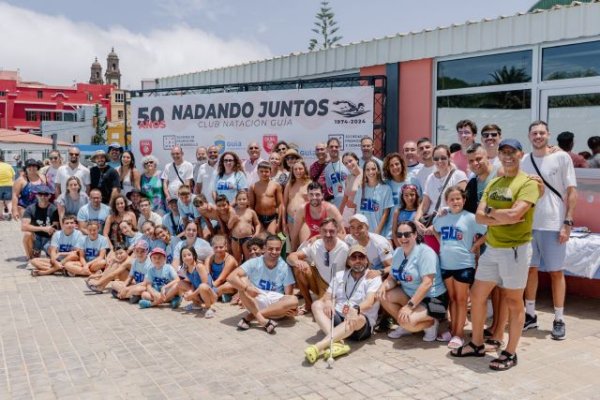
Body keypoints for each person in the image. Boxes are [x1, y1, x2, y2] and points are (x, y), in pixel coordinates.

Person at [451, 138, 539, 372]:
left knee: (513, 301)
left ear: (521, 154)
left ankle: (510, 352)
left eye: (512, 151)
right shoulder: (495, 183)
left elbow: (516, 215)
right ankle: (477, 344)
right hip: (492, 246)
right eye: (504, 152)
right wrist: (499, 214)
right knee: (478, 294)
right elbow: (479, 217)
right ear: (498, 155)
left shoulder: (527, 183)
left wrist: (494, 213)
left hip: (515, 249)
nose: (508, 156)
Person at [521, 121, 578, 341]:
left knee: (556, 272)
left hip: (554, 224)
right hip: (528, 225)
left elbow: (572, 192)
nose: (538, 136)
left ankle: (558, 319)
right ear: (529, 136)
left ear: (548, 135)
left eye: (541, 133)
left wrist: (568, 222)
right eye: (534, 133)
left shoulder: (562, 157)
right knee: (530, 270)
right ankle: (531, 315)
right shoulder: (524, 159)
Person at [304, 244, 381, 364]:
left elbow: (370, 301)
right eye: (354, 258)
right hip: (340, 316)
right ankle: (337, 342)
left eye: (361, 257)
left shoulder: (372, 277)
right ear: (348, 261)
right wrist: (328, 302)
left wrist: (356, 309)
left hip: (360, 324)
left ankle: (318, 347)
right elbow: (327, 296)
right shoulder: (340, 275)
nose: (357, 261)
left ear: (366, 260)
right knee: (317, 305)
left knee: (359, 318)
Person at [432, 187, 486, 348]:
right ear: (447, 201)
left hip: (464, 264)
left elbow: (489, 231)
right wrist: (442, 243)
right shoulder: (442, 217)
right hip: (446, 264)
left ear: (463, 200)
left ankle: (459, 334)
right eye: (452, 199)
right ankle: (452, 329)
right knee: (453, 299)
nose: (455, 202)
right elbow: (435, 230)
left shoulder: (470, 218)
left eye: (458, 199)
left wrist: (476, 245)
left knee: (462, 300)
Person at [378, 221, 447, 341]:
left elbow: (427, 283)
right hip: (412, 296)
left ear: (415, 234)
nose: (402, 238)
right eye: (399, 235)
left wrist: (409, 307)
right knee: (383, 296)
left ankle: (431, 323)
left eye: (407, 234)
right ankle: (405, 325)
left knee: (408, 321)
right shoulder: (399, 252)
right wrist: (383, 286)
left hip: (434, 300)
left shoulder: (425, 253)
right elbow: (393, 278)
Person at [227, 235, 298, 334]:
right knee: (242, 280)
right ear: (264, 248)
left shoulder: (284, 267)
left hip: (275, 305)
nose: (274, 252)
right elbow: (230, 277)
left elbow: (289, 295)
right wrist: (246, 288)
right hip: (256, 299)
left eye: (277, 249)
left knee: (294, 300)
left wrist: (293, 309)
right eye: (270, 249)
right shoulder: (254, 262)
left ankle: (252, 316)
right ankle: (262, 320)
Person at [287, 218, 349, 315]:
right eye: (324, 231)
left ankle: (323, 301)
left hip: (335, 286)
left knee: (324, 313)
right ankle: (308, 304)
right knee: (299, 268)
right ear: (320, 231)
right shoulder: (316, 245)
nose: (328, 234)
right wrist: (296, 261)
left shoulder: (344, 248)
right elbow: (291, 256)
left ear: (337, 232)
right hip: (319, 280)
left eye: (332, 231)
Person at [414, 145, 468, 253]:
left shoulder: (459, 175)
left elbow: (460, 204)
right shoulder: (431, 178)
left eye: (443, 157)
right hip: (430, 226)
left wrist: (437, 226)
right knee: (432, 261)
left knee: (447, 259)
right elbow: (425, 205)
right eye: (436, 158)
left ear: (449, 158)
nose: (440, 161)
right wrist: (416, 220)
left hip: (449, 226)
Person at [291, 182, 345, 251]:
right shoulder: (302, 209)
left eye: (317, 194)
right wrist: (292, 251)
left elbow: (343, 234)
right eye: (311, 194)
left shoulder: (331, 209)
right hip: (312, 242)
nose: (314, 197)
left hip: (330, 242)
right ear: (307, 196)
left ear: (322, 195)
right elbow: (294, 233)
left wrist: (318, 237)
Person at [382, 152, 420, 238]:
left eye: (397, 164)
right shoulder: (386, 184)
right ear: (388, 168)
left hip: (410, 230)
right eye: (391, 165)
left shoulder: (412, 180)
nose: (395, 167)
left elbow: (420, 203)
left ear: (402, 164)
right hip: (389, 232)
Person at [174, 245, 218, 315]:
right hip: (200, 293)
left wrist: (192, 295)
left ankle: (208, 307)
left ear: (194, 255)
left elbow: (205, 285)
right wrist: (189, 293)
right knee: (180, 283)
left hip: (210, 294)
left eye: (189, 255)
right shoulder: (186, 269)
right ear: (181, 258)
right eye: (184, 256)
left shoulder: (199, 266)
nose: (187, 257)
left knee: (202, 286)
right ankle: (196, 304)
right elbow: (192, 283)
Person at [354, 160, 393, 236]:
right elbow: (357, 210)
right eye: (367, 170)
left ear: (378, 170)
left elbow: (386, 213)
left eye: (373, 169)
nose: (370, 172)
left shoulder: (386, 189)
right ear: (364, 172)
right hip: (361, 233)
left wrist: (377, 231)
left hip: (377, 233)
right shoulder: (361, 189)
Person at [21, 185, 59, 259]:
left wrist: (52, 229)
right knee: (27, 234)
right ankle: (30, 258)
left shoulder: (54, 209)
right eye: (40, 194)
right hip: (36, 237)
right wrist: (43, 228)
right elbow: (24, 227)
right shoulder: (30, 209)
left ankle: (48, 253)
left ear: (49, 196)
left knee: (54, 258)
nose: (43, 197)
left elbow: (55, 226)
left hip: (49, 238)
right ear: (36, 195)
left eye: (45, 194)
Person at [464, 143, 500, 214]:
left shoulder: (500, 174)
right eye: (471, 161)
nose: (475, 163)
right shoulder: (472, 183)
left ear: (487, 156)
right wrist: (447, 210)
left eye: (478, 159)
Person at [249, 161, 282, 234]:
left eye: (266, 171)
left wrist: (279, 220)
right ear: (257, 172)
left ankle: (284, 244)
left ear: (270, 172)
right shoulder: (253, 186)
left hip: (272, 218)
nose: (264, 174)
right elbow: (251, 206)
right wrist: (251, 221)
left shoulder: (276, 185)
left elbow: (280, 204)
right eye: (261, 171)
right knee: (260, 239)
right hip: (258, 218)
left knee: (273, 236)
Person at [227, 191, 261, 262]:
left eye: (244, 199)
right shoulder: (233, 212)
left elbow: (257, 224)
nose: (242, 201)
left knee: (248, 258)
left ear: (248, 201)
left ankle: (248, 272)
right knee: (237, 258)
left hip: (247, 238)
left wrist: (256, 233)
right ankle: (239, 272)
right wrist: (233, 219)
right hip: (235, 239)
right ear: (236, 201)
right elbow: (229, 227)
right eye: (239, 199)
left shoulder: (251, 212)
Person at [281, 159, 310, 238]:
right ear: (292, 171)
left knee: (303, 245)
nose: (298, 171)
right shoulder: (289, 185)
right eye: (295, 169)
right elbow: (284, 204)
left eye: (300, 169)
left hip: (304, 220)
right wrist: (283, 223)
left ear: (305, 170)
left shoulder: (310, 184)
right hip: (291, 219)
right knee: (293, 246)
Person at [205, 235, 238, 301]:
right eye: (216, 247)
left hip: (227, 283)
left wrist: (208, 289)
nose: (218, 250)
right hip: (214, 284)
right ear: (212, 247)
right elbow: (207, 275)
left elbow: (221, 279)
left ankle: (209, 295)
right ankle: (219, 295)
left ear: (226, 247)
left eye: (221, 247)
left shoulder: (230, 260)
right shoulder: (209, 258)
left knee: (227, 286)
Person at [324, 137, 348, 208]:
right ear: (327, 149)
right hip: (337, 205)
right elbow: (330, 188)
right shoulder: (327, 169)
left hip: (350, 205)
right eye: (331, 147)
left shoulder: (347, 162)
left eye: (336, 147)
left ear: (340, 148)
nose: (334, 148)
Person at [339, 152, 362, 224]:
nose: (348, 164)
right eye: (346, 163)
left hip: (358, 213)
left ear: (356, 160)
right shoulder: (348, 177)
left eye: (350, 161)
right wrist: (339, 215)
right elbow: (345, 199)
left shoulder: (365, 176)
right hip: (347, 213)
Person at [0, 152, 15, 220]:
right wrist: (13, 183)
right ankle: (10, 213)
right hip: (9, 185)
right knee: (8, 201)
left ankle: (1, 215)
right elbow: (13, 175)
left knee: (0, 201)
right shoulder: (9, 166)